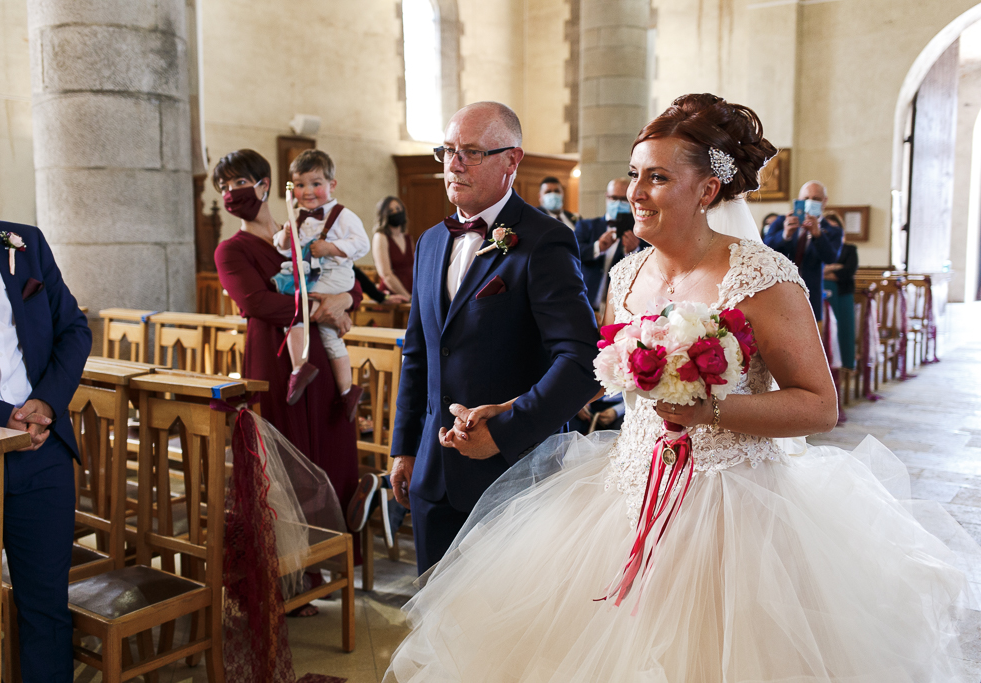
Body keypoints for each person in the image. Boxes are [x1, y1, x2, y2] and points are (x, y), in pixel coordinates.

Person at [383, 94, 978, 682]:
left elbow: (820, 408)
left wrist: (710, 409)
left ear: (708, 190)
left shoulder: (760, 278)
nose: (636, 194)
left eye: (658, 177)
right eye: (634, 175)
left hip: (730, 506)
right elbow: (603, 375)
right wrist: (507, 410)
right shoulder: (627, 275)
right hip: (623, 493)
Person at [388, 101, 601, 574]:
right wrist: (404, 447)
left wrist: (502, 434)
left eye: (471, 152)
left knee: (507, 637)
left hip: (513, 476)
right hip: (433, 473)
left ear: (512, 161)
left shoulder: (544, 240)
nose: (455, 163)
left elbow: (582, 359)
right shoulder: (430, 242)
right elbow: (419, 354)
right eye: (447, 151)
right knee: (435, 632)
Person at [0, 121, 92, 682]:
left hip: (43, 453)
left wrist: (43, 403)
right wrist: (1, 416)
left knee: (46, 610)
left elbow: (75, 330)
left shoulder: (23, 242)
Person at [212, 149, 365, 597]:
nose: (229, 194)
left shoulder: (302, 228)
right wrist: (323, 307)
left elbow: (349, 275)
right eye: (222, 188)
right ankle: (291, 577)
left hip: (320, 351)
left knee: (330, 453)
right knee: (285, 463)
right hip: (275, 362)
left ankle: (331, 562)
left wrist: (347, 300)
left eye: (237, 183)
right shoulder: (231, 250)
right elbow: (255, 303)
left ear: (263, 185)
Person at [271, 150, 369, 416]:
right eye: (301, 185)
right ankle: (347, 391)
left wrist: (331, 248)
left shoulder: (343, 215)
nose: (308, 191)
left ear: (331, 185)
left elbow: (362, 244)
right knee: (328, 337)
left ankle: (301, 367)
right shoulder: (298, 217)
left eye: (316, 183)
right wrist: (284, 236)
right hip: (313, 275)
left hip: (335, 275)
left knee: (298, 309)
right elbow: (284, 250)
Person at [763, 181, 843, 322]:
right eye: (806, 198)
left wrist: (818, 235)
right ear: (799, 200)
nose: (810, 202)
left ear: (824, 202)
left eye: (816, 199)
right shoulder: (782, 221)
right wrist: (785, 235)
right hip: (779, 290)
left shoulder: (832, 230)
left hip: (811, 293)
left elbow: (831, 257)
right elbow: (764, 248)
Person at [574, 177, 647, 309]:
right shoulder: (586, 226)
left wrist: (634, 251)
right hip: (585, 303)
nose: (618, 203)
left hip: (620, 307)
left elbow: (648, 270)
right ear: (607, 197)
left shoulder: (641, 234)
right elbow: (572, 255)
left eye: (623, 199)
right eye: (613, 198)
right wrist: (597, 247)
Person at [823, 213, 858, 371]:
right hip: (820, 294)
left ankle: (845, 365)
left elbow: (847, 272)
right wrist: (833, 268)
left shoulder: (849, 249)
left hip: (842, 293)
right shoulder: (819, 247)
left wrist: (824, 272)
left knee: (844, 329)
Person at [371, 196, 414, 299]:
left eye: (398, 209)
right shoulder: (381, 237)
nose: (396, 212)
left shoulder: (407, 237)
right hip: (392, 294)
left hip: (411, 290)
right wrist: (406, 296)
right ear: (384, 215)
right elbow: (386, 274)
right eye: (391, 211)